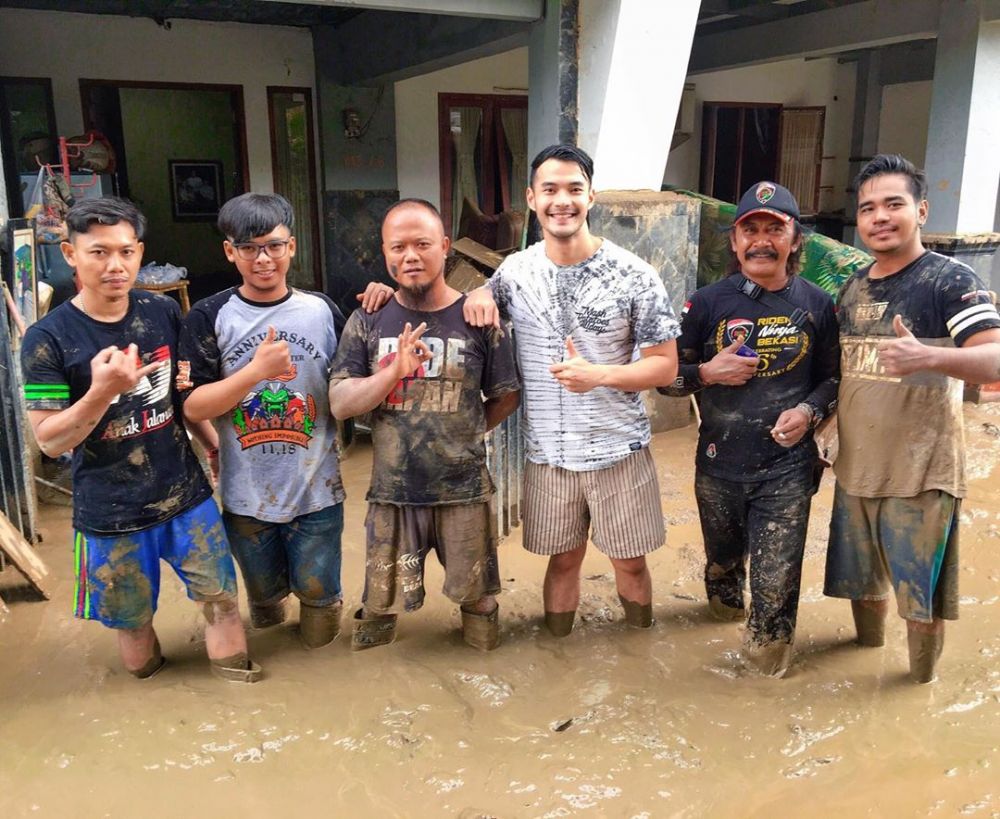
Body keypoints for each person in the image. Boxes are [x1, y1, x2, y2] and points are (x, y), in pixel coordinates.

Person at [20, 197, 259, 682]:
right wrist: (103, 391)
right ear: (70, 253)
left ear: (140, 252)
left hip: (184, 495)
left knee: (222, 602)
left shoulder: (163, 311)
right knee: (133, 632)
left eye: (126, 252)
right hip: (110, 515)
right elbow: (47, 440)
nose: (116, 266)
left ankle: (239, 688)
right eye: (99, 252)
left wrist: (213, 445)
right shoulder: (47, 339)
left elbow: (180, 400)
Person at [463, 144, 679, 636]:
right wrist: (476, 290)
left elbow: (665, 368)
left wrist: (599, 375)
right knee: (562, 562)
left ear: (591, 197)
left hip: (618, 450)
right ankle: (557, 650)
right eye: (551, 190)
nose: (563, 200)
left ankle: (637, 648)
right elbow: (464, 305)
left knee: (630, 564)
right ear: (532, 199)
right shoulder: (513, 273)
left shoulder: (634, 275)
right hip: (548, 455)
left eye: (574, 190)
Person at [178, 194, 392, 650]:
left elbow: (354, 379)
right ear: (230, 252)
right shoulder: (209, 316)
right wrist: (256, 372)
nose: (264, 259)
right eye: (250, 248)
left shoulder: (321, 312)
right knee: (266, 608)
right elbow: (193, 406)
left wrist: (385, 301)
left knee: (320, 611)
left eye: (274, 246)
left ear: (292, 247)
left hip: (318, 492)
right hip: (245, 498)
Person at [824, 154, 1000, 683]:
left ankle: (915, 689)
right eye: (868, 208)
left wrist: (931, 356)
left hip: (921, 473)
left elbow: (994, 357)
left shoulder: (950, 280)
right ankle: (868, 670)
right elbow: (843, 375)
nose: (880, 216)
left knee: (917, 601)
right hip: (855, 470)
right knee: (862, 586)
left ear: (920, 210)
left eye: (894, 204)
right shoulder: (852, 287)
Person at [660, 181, 839, 677]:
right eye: (750, 230)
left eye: (774, 229)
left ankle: (766, 670)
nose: (762, 240)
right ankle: (721, 614)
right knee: (722, 569)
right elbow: (666, 381)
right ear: (735, 242)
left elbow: (832, 379)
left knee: (776, 583)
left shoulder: (820, 305)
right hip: (717, 466)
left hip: (787, 471)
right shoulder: (705, 304)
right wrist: (705, 374)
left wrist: (808, 412)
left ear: (794, 239)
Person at [329, 199, 520, 651]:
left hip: (464, 491)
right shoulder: (368, 319)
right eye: (398, 247)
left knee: (479, 604)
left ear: (445, 248)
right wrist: (392, 373)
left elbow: (507, 395)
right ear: (384, 252)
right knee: (377, 608)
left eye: (422, 244)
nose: (410, 256)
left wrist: (467, 434)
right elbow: (340, 404)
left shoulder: (481, 317)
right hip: (392, 491)